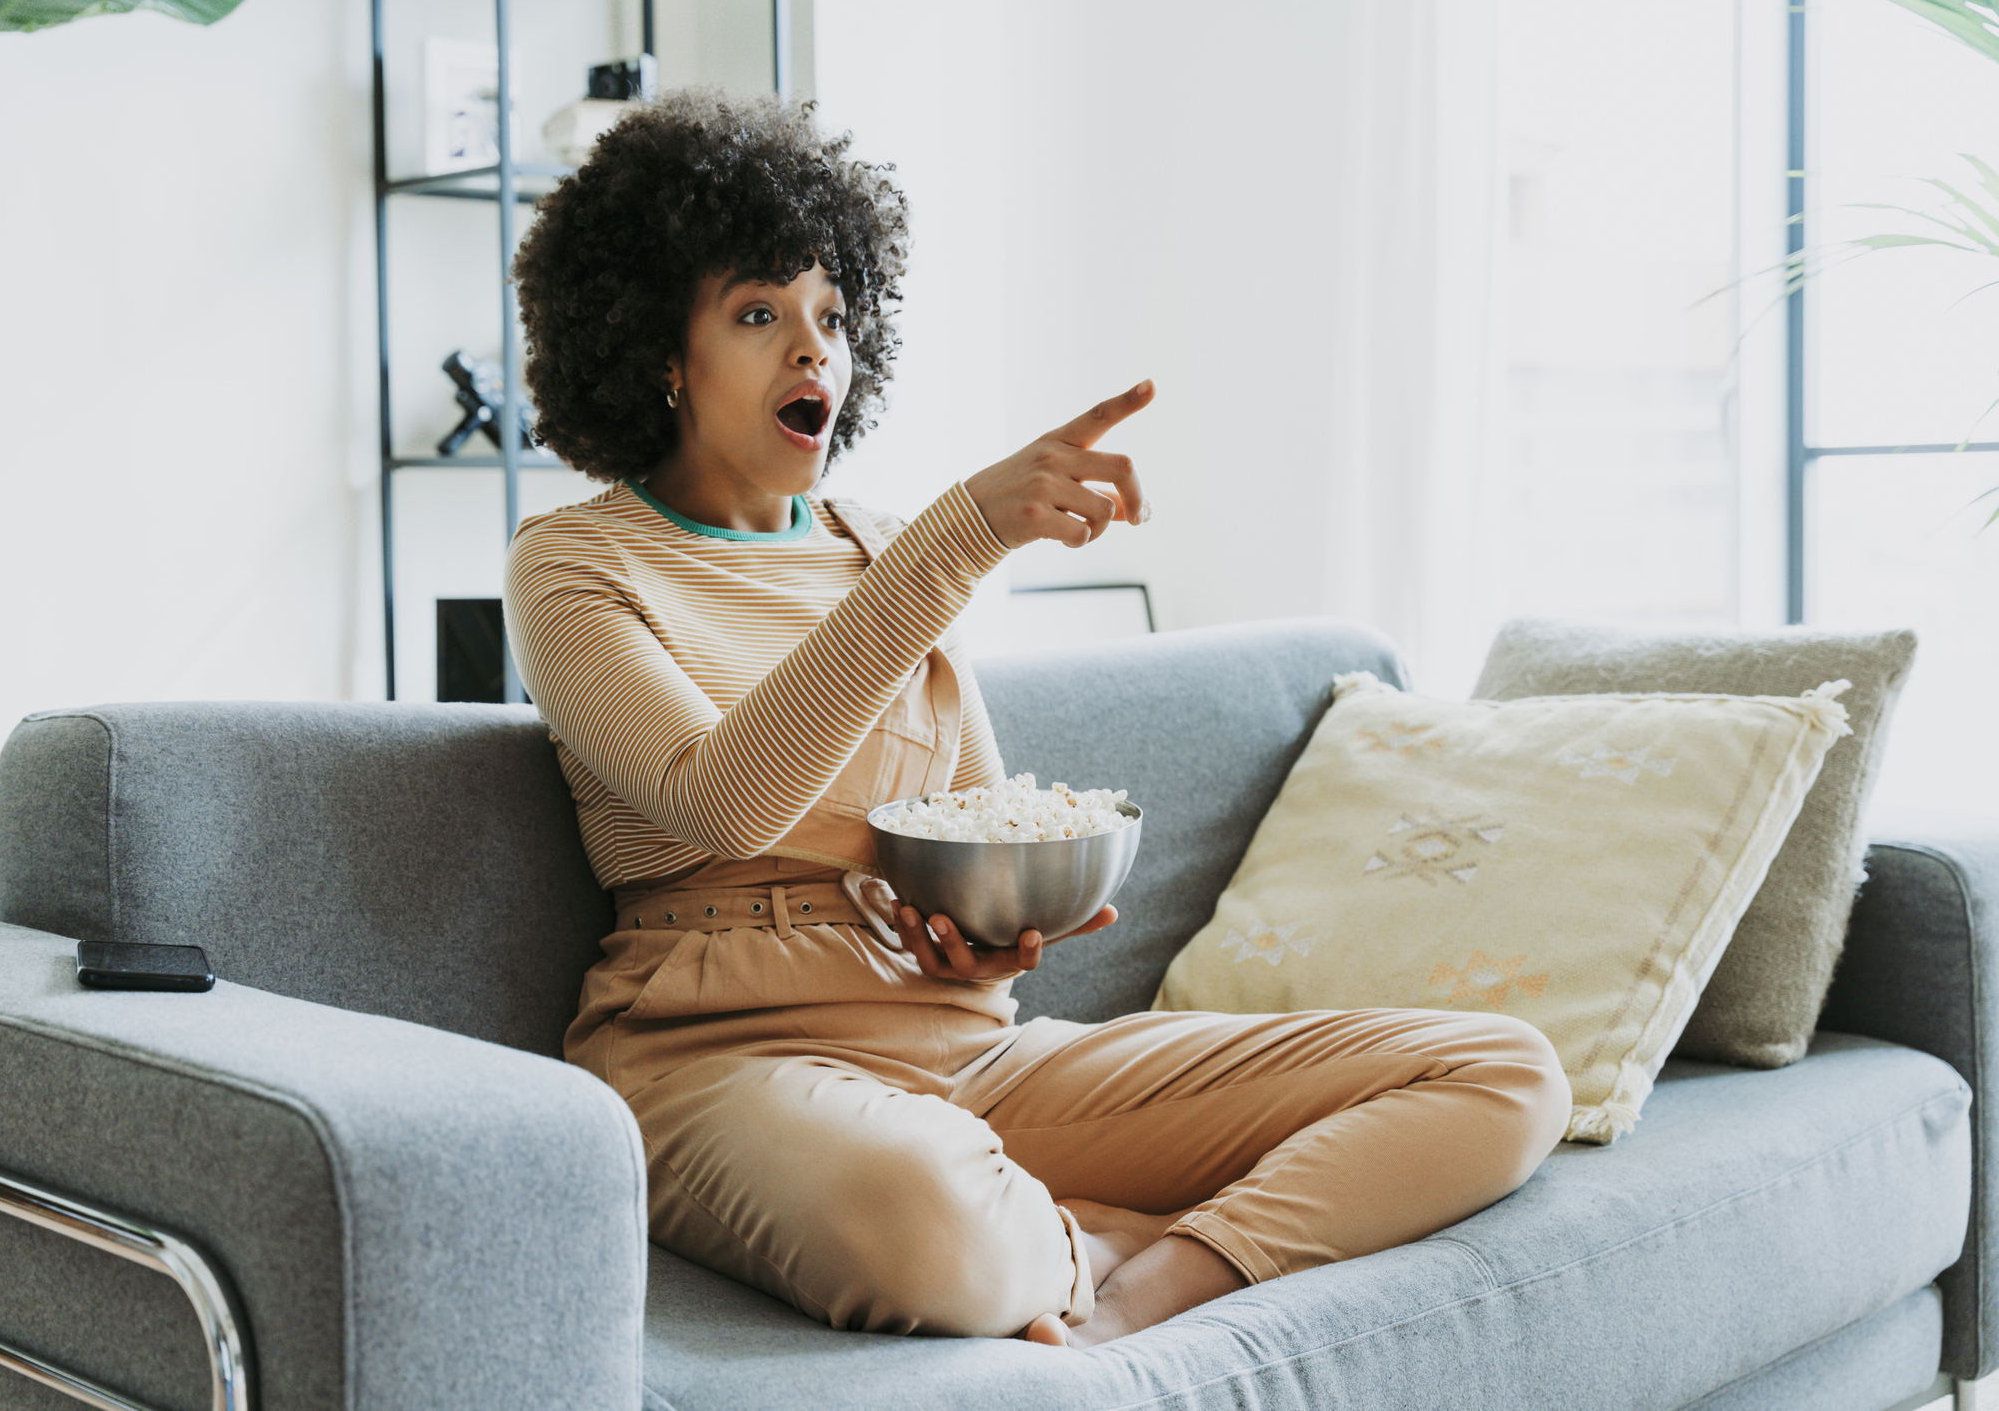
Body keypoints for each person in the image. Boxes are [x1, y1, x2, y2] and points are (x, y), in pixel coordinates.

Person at [504, 89, 1571, 1348]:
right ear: (657, 357)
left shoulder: (882, 557)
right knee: (923, 1221)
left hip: (968, 1056)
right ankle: (1071, 1235)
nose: (815, 354)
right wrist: (959, 542)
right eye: (757, 315)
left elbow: (963, 822)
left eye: (833, 318)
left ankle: (1157, 1273)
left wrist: (995, 933)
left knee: (1502, 1072)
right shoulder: (575, 565)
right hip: (719, 1066)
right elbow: (722, 800)